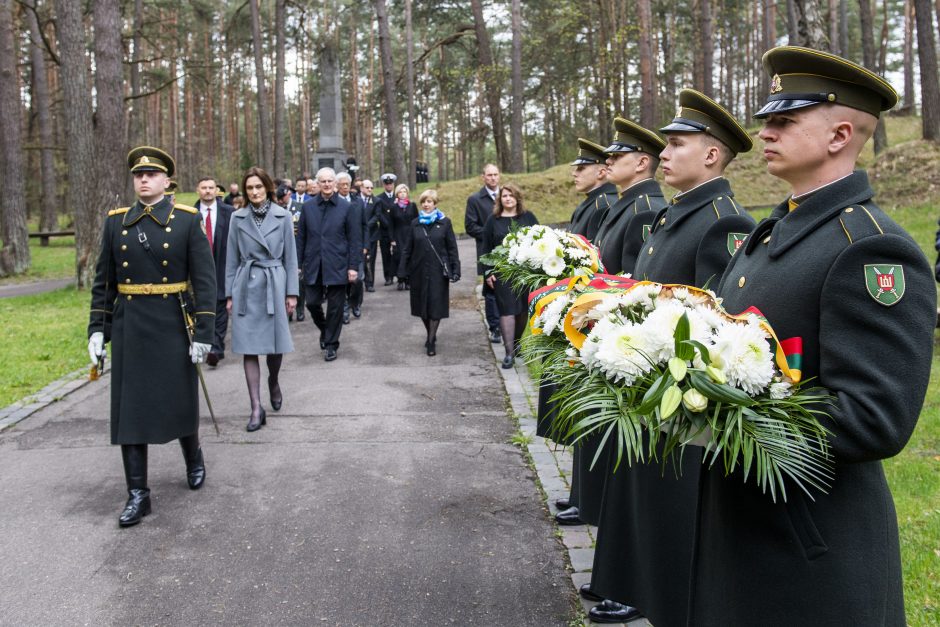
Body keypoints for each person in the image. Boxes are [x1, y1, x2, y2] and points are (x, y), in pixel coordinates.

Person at [686, 46, 936, 627]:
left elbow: (875, 416)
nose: (764, 131)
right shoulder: (775, 230)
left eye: (783, 121)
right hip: (746, 521)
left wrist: (720, 413)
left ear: (839, 134)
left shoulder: (870, 248)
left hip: (809, 548)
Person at [587, 91, 756, 626]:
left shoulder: (722, 221)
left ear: (711, 155)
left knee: (669, 497)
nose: (664, 153)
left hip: (677, 387)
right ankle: (635, 585)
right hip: (647, 375)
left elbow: (713, 319)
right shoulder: (677, 213)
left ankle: (659, 595)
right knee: (642, 489)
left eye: (677, 144)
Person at [551, 121, 668, 540]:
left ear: (641, 163)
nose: (607, 162)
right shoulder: (625, 205)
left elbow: (633, 281)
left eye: (615, 157)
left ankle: (598, 508)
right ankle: (589, 499)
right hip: (598, 327)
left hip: (621, 335)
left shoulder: (643, 210)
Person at [87, 146, 215, 528]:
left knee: (178, 398)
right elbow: (103, 283)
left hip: (173, 322)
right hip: (131, 325)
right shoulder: (115, 223)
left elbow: (205, 283)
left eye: (151, 175)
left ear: (166, 181)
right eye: (138, 175)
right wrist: (98, 329)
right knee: (130, 409)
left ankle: (193, 456)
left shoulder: (187, 221)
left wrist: (204, 332)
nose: (143, 180)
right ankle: (138, 494)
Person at [225, 168, 298, 432]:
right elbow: (231, 259)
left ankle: (274, 381)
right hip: (246, 284)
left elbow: (290, 257)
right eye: (249, 188)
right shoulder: (237, 218)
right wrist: (229, 294)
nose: (254, 192)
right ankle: (256, 407)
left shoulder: (283, 216)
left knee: (276, 346)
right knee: (248, 347)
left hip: (274, 282)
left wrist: (292, 293)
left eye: (258, 187)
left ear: (267, 188)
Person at [297, 167, 362, 362]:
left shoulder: (346, 207)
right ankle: (325, 329)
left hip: (338, 263)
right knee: (312, 303)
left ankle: (332, 344)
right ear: (316, 184)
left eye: (329, 181)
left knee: (335, 307)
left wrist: (353, 266)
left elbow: (354, 239)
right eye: (322, 181)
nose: (326, 184)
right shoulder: (308, 208)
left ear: (335, 183)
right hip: (313, 263)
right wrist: (298, 264)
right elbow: (301, 238)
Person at [481, 183, 539, 369]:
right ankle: (508, 354)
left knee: (522, 311)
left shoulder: (528, 217)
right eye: (504, 196)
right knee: (506, 311)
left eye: (511, 195)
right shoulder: (493, 220)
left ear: (517, 198)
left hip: (524, 272)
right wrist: (487, 272)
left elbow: (540, 240)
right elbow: (485, 248)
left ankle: (516, 342)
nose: (507, 198)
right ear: (500, 199)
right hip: (502, 273)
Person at [397, 189, 460, 356]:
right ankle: (429, 333)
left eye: (429, 201)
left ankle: (431, 341)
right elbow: (407, 249)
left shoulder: (445, 223)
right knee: (421, 307)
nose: (426, 204)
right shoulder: (415, 223)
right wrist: (402, 270)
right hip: (418, 270)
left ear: (435, 203)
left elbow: (452, 248)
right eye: (424, 202)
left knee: (436, 305)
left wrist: (455, 269)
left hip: (438, 271)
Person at [195, 176, 235, 367]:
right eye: (204, 188)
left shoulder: (229, 212)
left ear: (216, 190)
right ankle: (202, 341)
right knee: (202, 306)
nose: (208, 191)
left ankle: (216, 349)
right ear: (198, 190)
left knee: (220, 307)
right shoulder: (190, 213)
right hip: (198, 268)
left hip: (222, 264)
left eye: (211, 187)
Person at [465, 164, 502, 344]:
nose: (493, 178)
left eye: (495, 174)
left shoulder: (507, 196)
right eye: (489, 175)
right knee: (491, 289)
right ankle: (494, 327)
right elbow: (470, 226)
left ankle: (508, 325)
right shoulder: (475, 199)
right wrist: (490, 235)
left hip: (509, 251)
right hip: (487, 251)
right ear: (483, 177)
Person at [568, 138, 618, 241]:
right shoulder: (592, 202)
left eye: (581, 168)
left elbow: (596, 254)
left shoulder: (603, 206)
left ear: (601, 173)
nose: (574, 173)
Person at [336, 172, 366, 321]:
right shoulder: (333, 202)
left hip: (357, 247)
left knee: (357, 280)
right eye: (342, 185)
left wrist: (366, 244)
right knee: (342, 281)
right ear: (337, 186)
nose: (345, 187)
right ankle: (344, 309)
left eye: (347, 184)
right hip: (340, 249)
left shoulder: (358, 201)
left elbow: (364, 225)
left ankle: (355, 303)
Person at [390, 183, 419, 291]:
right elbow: (390, 224)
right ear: (397, 194)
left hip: (410, 234)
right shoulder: (393, 207)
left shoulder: (412, 206)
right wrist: (392, 239)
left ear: (407, 193)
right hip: (398, 235)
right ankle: (400, 279)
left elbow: (417, 221)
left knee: (410, 256)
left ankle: (408, 280)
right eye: (400, 192)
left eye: (404, 192)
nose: (402, 194)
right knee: (399, 257)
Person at [374, 173, 399, 286]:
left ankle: (399, 275)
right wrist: (388, 225)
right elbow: (378, 214)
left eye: (391, 184)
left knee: (398, 253)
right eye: (386, 184)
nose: (389, 186)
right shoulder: (379, 198)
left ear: (393, 184)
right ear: (384, 185)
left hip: (396, 231)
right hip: (384, 230)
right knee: (385, 254)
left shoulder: (398, 197)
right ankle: (388, 276)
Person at [360, 179, 381, 292]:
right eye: (367, 187)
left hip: (371, 234)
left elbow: (377, 216)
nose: (370, 190)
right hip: (358, 235)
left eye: (371, 188)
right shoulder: (356, 199)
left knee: (370, 259)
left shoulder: (376, 201)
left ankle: (369, 283)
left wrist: (365, 226)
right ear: (361, 188)